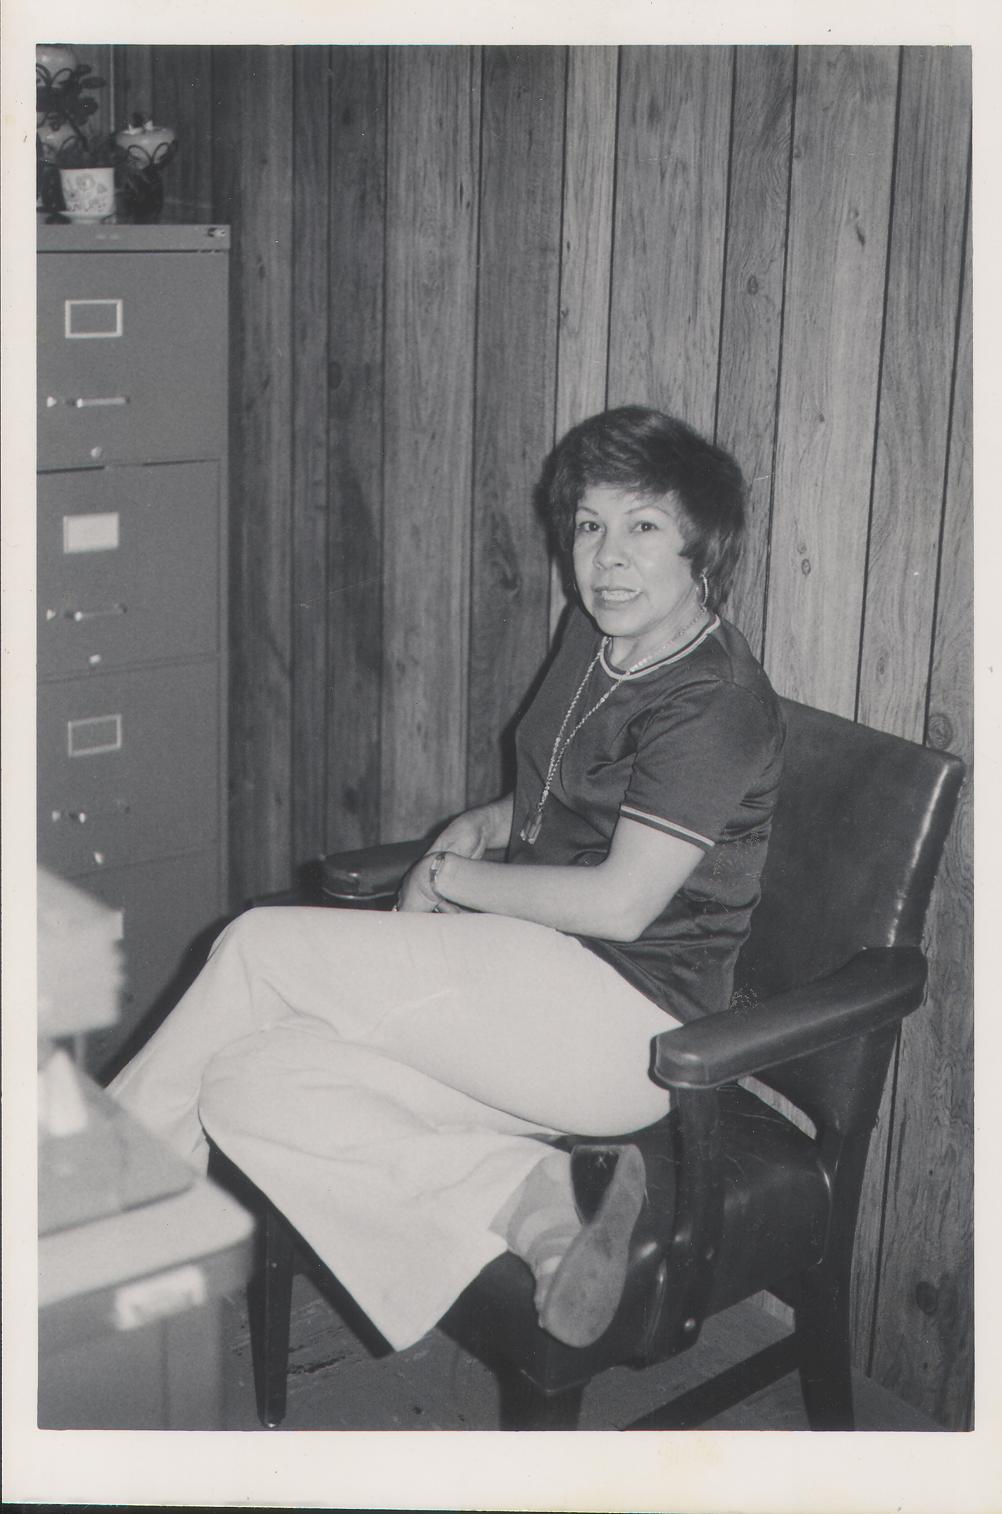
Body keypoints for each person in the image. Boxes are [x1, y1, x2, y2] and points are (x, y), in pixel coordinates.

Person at [109, 405, 785, 1354]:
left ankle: (93, 1212)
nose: (607, 558)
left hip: (630, 1026)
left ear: (702, 548)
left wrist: (456, 877)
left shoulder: (712, 698)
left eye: (643, 527)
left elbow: (623, 902)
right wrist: (488, 823)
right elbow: (566, 796)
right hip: (531, 997)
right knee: (247, 1081)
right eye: (589, 526)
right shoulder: (600, 636)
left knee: (259, 943)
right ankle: (536, 1202)